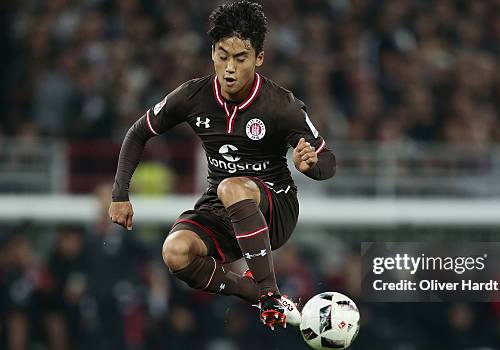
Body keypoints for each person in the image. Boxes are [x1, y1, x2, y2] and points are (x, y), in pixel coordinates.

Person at [108, 0, 335, 330]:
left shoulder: (281, 105)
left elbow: (328, 162)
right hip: (221, 208)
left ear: (259, 58)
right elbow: (137, 132)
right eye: (222, 55)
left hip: (275, 208)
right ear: (212, 53)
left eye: (240, 58)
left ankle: (270, 294)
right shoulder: (192, 96)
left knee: (232, 185)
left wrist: (309, 166)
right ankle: (259, 294)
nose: (229, 67)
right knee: (175, 252)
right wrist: (119, 194)